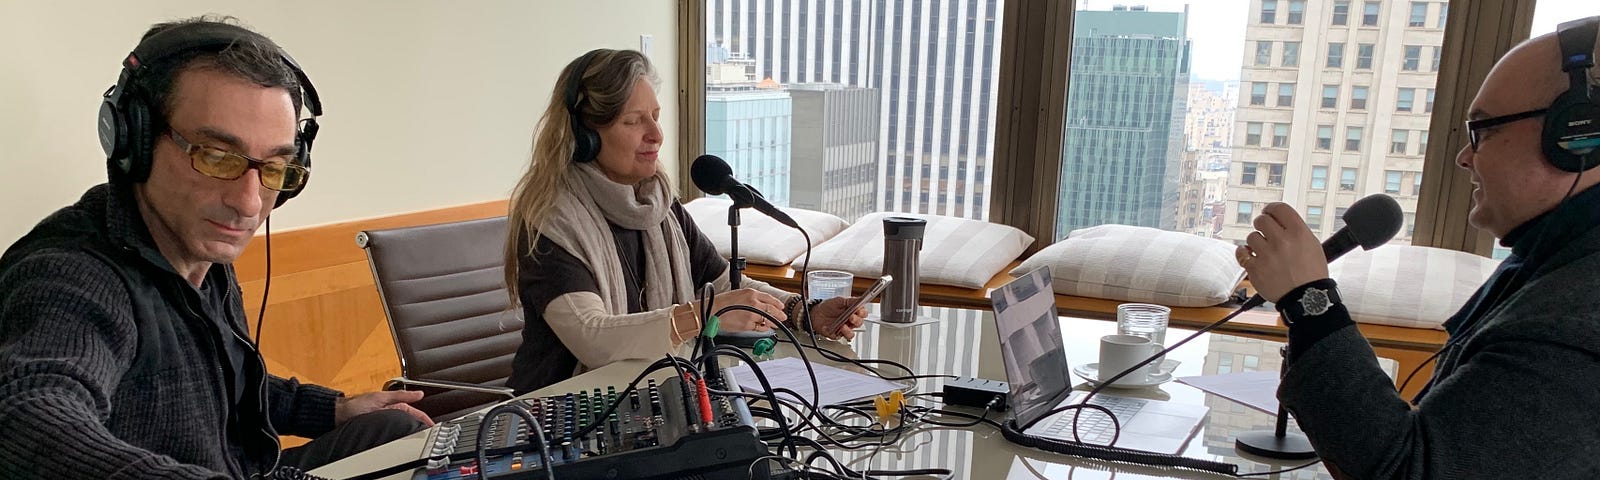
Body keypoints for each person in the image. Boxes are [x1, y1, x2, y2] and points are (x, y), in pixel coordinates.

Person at [0, 17, 431, 478]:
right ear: (135, 139)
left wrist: (331, 410)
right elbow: (27, 417)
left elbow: (221, 381)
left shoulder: (201, 247)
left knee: (395, 434)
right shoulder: (70, 274)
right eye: (215, 157)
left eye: (275, 167)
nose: (248, 203)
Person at [1237, 17, 1600, 479]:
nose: (1463, 157)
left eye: (1484, 130)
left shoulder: (1573, 323)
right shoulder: (1556, 264)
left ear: (1576, 135)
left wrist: (1311, 303)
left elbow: (1407, 470)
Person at [503, 49, 869, 394]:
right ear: (585, 138)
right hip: (558, 415)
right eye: (633, 121)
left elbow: (725, 286)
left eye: (656, 117)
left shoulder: (659, 204)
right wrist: (700, 315)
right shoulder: (550, 222)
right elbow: (594, 337)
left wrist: (805, 312)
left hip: (652, 396)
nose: (656, 135)